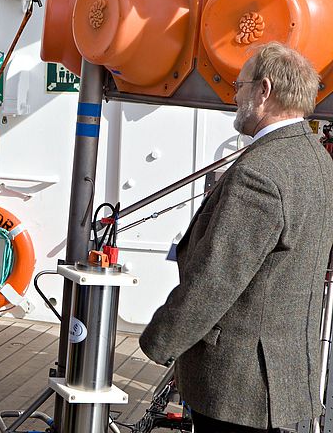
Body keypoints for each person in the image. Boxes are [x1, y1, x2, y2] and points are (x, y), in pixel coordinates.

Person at [140, 42, 333, 432]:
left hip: (239, 386)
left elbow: (216, 277)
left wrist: (161, 340)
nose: (234, 95)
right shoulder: (318, 160)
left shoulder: (260, 171)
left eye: (239, 85)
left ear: (264, 91)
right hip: (289, 375)